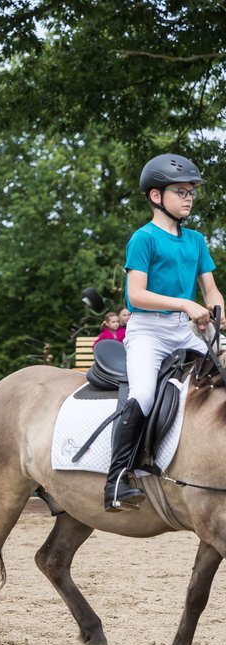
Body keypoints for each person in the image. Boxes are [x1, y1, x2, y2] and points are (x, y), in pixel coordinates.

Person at [105, 153, 220, 511]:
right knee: (143, 394)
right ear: (156, 196)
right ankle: (117, 479)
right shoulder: (143, 239)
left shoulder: (196, 240)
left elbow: (211, 289)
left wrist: (217, 312)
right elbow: (135, 294)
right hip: (148, 331)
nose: (189, 197)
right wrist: (186, 304)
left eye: (192, 192)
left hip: (185, 330)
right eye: (181, 191)